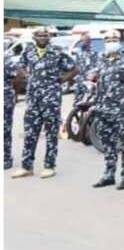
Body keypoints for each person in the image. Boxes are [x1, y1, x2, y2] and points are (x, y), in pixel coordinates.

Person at [11, 29, 78, 179]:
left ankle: (49, 166)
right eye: (39, 35)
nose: (42, 38)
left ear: (50, 37)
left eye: (45, 35)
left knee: (51, 133)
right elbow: (20, 65)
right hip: (33, 99)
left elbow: (75, 69)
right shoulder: (29, 51)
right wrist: (26, 75)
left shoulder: (57, 52)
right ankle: (26, 167)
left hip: (51, 99)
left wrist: (60, 80)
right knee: (30, 132)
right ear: (34, 37)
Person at [91, 32, 124, 190]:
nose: (110, 42)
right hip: (103, 109)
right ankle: (109, 175)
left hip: (121, 109)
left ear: (119, 42)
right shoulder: (102, 59)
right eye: (108, 40)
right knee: (108, 144)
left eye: (114, 39)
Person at [72, 33, 99, 108]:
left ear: (89, 41)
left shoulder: (94, 52)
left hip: (89, 79)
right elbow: (75, 64)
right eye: (82, 41)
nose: (84, 42)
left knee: (88, 98)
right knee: (77, 99)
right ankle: (76, 115)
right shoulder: (78, 52)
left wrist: (94, 74)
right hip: (79, 78)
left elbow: (97, 65)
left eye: (86, 41)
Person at [4, 48, 20, 170]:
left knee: (5, 130)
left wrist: (15, 95)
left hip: (5, 100)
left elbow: (17, 78)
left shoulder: (6, 61)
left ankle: (6, 158)